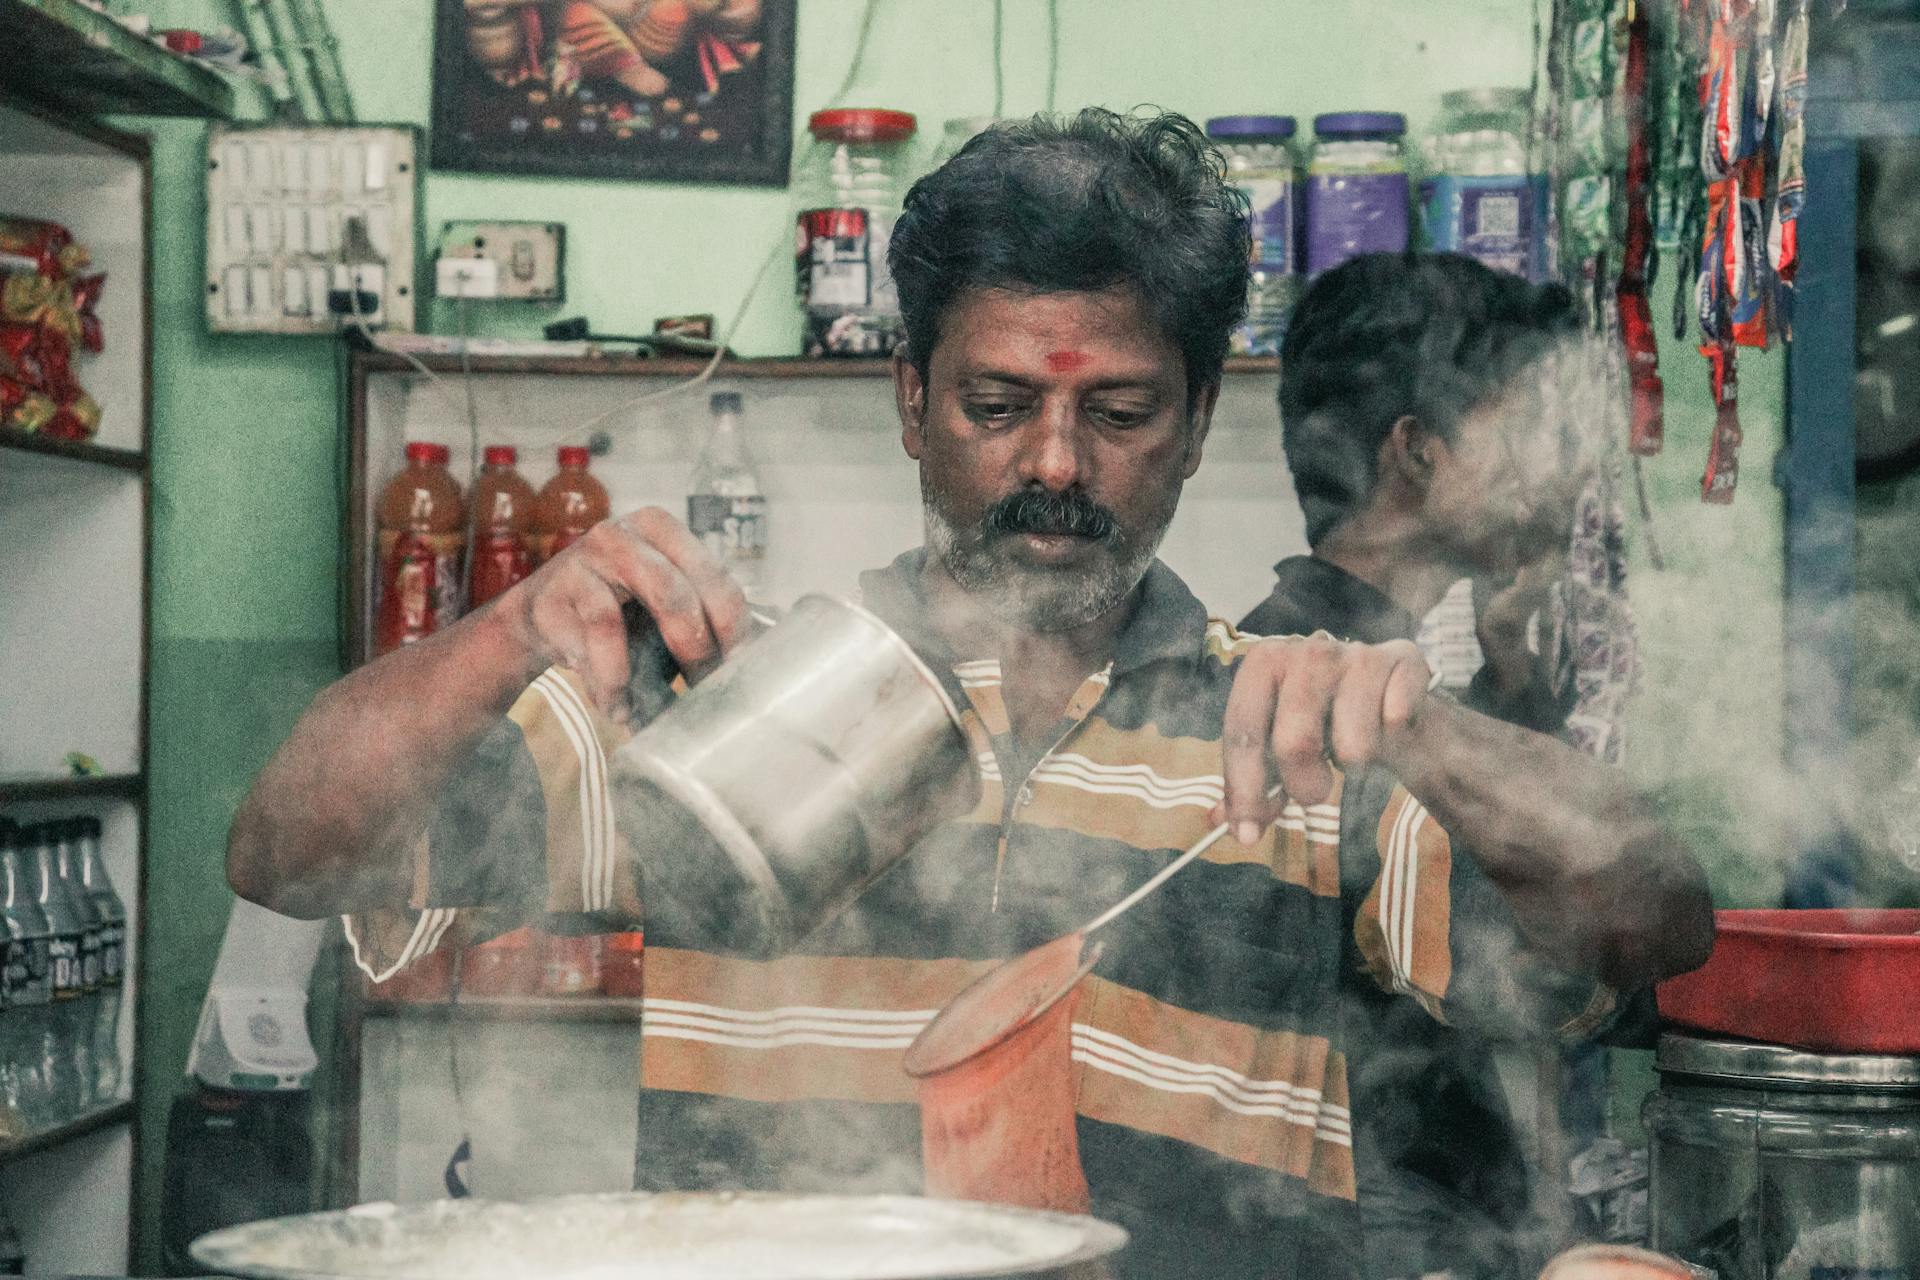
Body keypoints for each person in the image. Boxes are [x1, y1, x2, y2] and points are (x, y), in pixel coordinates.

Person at [228, 112, 1712, 1280]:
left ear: (1196, 425)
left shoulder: (1289, 731)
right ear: (911, 404)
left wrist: (1429, 731)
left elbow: (1653, 925)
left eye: (1116, 412)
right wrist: (506, 635)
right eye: (998, 406)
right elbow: (291, 856)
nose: (1055, 466)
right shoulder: (710, 697)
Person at [1242, 252, 1632, 1277]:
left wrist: (1515, 687)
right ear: (1416, 451)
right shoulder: (1320, 704)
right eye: (1526, 429)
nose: (1561, 466)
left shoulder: (1371, 674)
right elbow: (1552, 971)